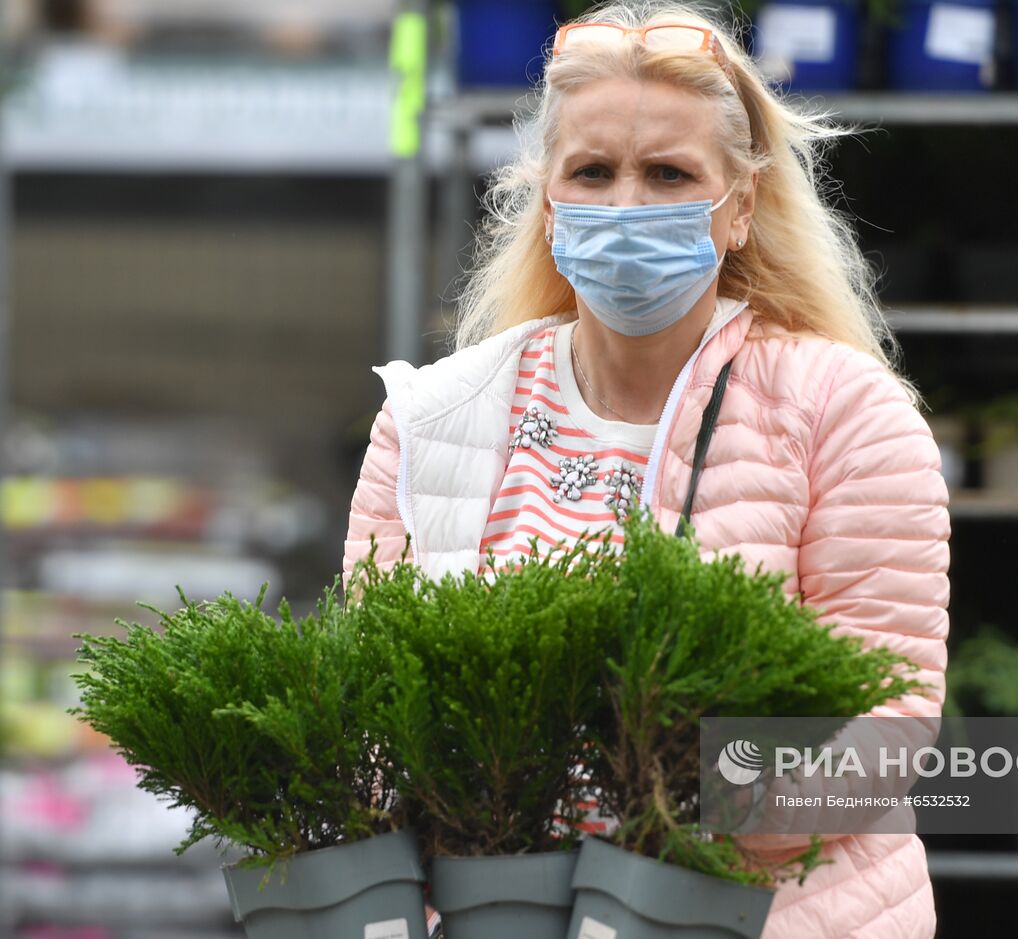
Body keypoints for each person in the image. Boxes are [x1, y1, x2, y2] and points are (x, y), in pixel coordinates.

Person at [343, 2, 951, 936]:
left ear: (741, 205)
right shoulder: (431, 421)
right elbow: (368, 720)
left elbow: (885, 730)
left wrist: (652, 802)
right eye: (593, 171)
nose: (626, 204)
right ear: (548, 202)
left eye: (670, 173)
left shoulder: (844, 415)